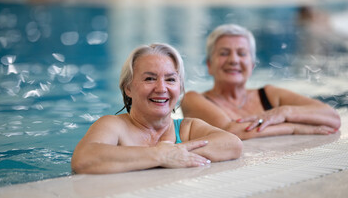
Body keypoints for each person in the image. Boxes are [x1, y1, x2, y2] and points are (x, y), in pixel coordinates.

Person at [71, 43, 242, 174]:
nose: (161, 88)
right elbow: (83, 158)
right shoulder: (114, 126)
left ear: (180, 88)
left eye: (170, 80)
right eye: (150, 79)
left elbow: (232, 144)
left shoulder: (187, 129)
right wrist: (160, 155)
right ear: (128, 88)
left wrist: (172, 153)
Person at [181, 24, 341, 140]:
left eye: (242, 53)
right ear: (209, 65)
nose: (233, 60)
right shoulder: (193, 99)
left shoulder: (270, 94)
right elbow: (231, 132)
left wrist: (284, 112)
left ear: (252, 65)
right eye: (224, 53)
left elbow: (332, 117)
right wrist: (294, 127)